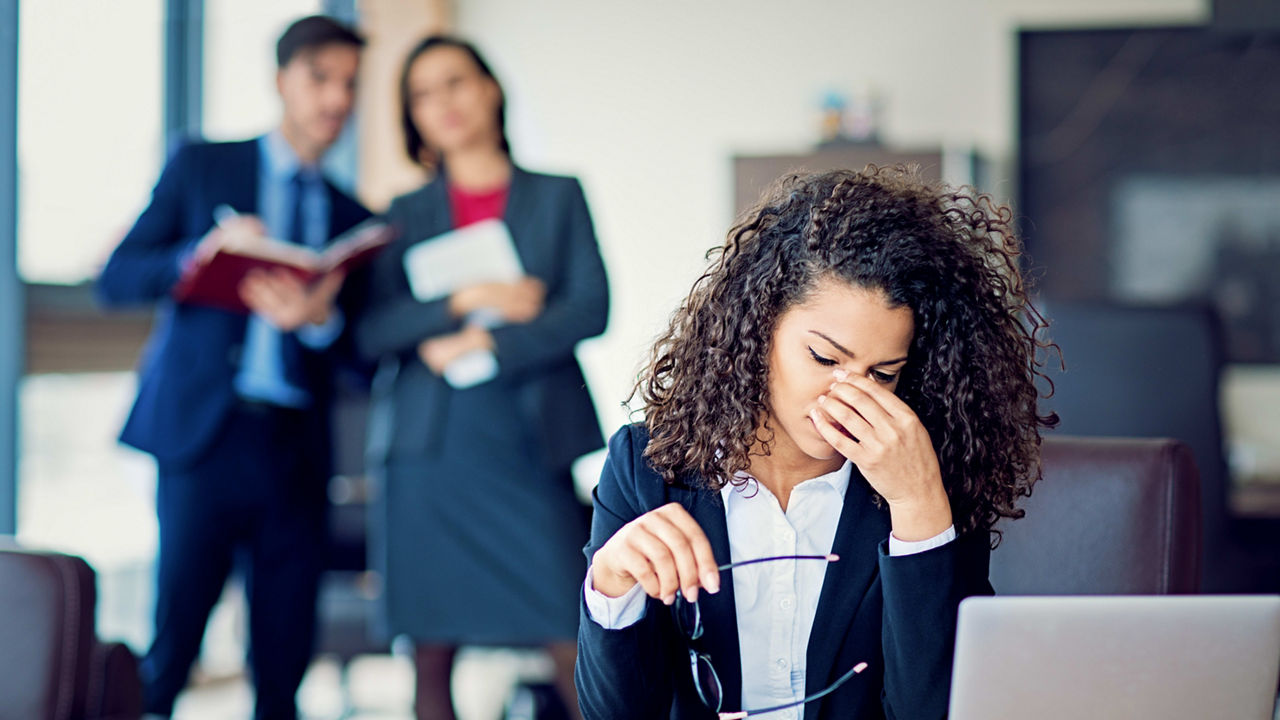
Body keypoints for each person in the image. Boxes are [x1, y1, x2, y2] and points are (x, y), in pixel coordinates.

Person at [575, 166, 1057, 719]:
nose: (849, 394)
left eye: (883, 374)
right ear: (758, 330)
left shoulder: (928, 476)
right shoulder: (647, 466)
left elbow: (933, 710)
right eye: (825, 358)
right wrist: (612, 585)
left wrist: (918, 508)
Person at [95, 16, 370, 720]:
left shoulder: (350, 216)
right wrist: (199, 255)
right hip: (203, 440)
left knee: (283, 660)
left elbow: (365, 358)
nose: (336, 99)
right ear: (282, 80)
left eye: (349, 84)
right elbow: (117, 277)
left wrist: (321, 320)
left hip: (293, 450)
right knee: (174, 642)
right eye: (320, 78)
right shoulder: (203, 167)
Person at [355, 36, 608, 720]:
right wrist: (463, 302)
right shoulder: (400, 214)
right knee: (431, 651)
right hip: (428, 453)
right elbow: (373, 330)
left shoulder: (557, 197)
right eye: (423, 94)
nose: (444, 103)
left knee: (571, 629)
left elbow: (590, 308)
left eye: (456, 82)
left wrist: (489, 344)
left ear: (491, 88)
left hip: (526, 442)